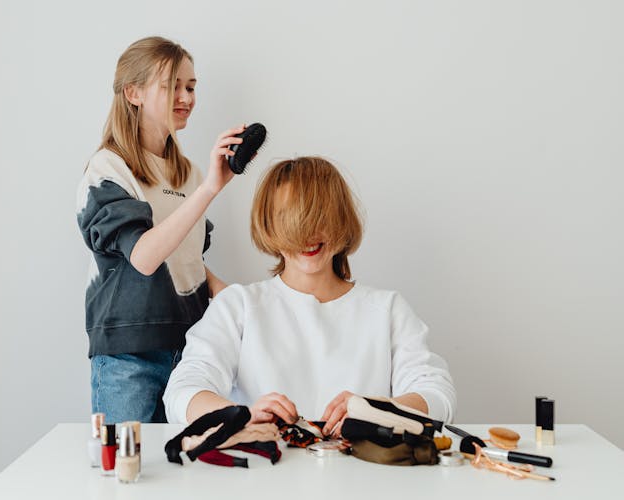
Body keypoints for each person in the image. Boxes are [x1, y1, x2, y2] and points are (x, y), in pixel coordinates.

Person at [164, 156, 456, 435]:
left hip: (366, 479)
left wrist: (378, 410)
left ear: (341, 218)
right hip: (263, 477)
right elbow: (182, 392)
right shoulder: (238, 306)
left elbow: (438, 396)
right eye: (289, 219)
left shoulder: (387, 310)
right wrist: (240, 416)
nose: (307, 234)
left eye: (319, 217)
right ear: (268, 225)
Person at [76, 36, 244, 423]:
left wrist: (229, 295)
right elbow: (146, 258)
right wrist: (209, 190)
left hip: (192, 352)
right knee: (126, 474)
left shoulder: (189, 173)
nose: (185, 97)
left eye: (191, 87)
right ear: (133, 93)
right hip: (128, 358)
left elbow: (184, 259)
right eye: (171, 86)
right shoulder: (108, 168)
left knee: (186, 472)